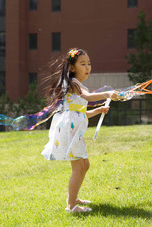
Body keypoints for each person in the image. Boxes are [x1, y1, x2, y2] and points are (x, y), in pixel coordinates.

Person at [42, 48, 119, 213]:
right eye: (83, 64)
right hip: (70, 131)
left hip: (74, 130)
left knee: (84, 165)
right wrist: (108, 94)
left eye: (89, 64)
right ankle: (71, 206)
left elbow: (80, 113)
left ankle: (74, 197)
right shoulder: (74, 83)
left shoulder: (77, 84)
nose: (87, 67)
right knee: (79, 167)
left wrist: (97, 111)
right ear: (72, 67)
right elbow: (88, 98)